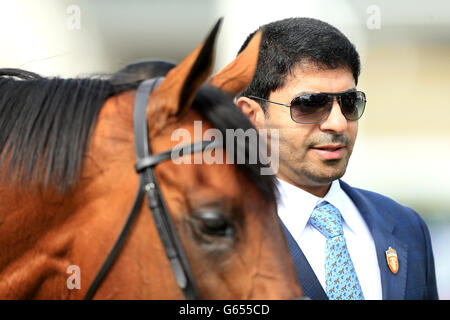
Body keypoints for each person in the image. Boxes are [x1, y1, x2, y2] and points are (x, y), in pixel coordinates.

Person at [235, 17, 438, 300]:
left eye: (349, 102)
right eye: (310, 104)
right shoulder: (217, 240)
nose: (338, 124)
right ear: (251, 117)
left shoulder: (405, 226)